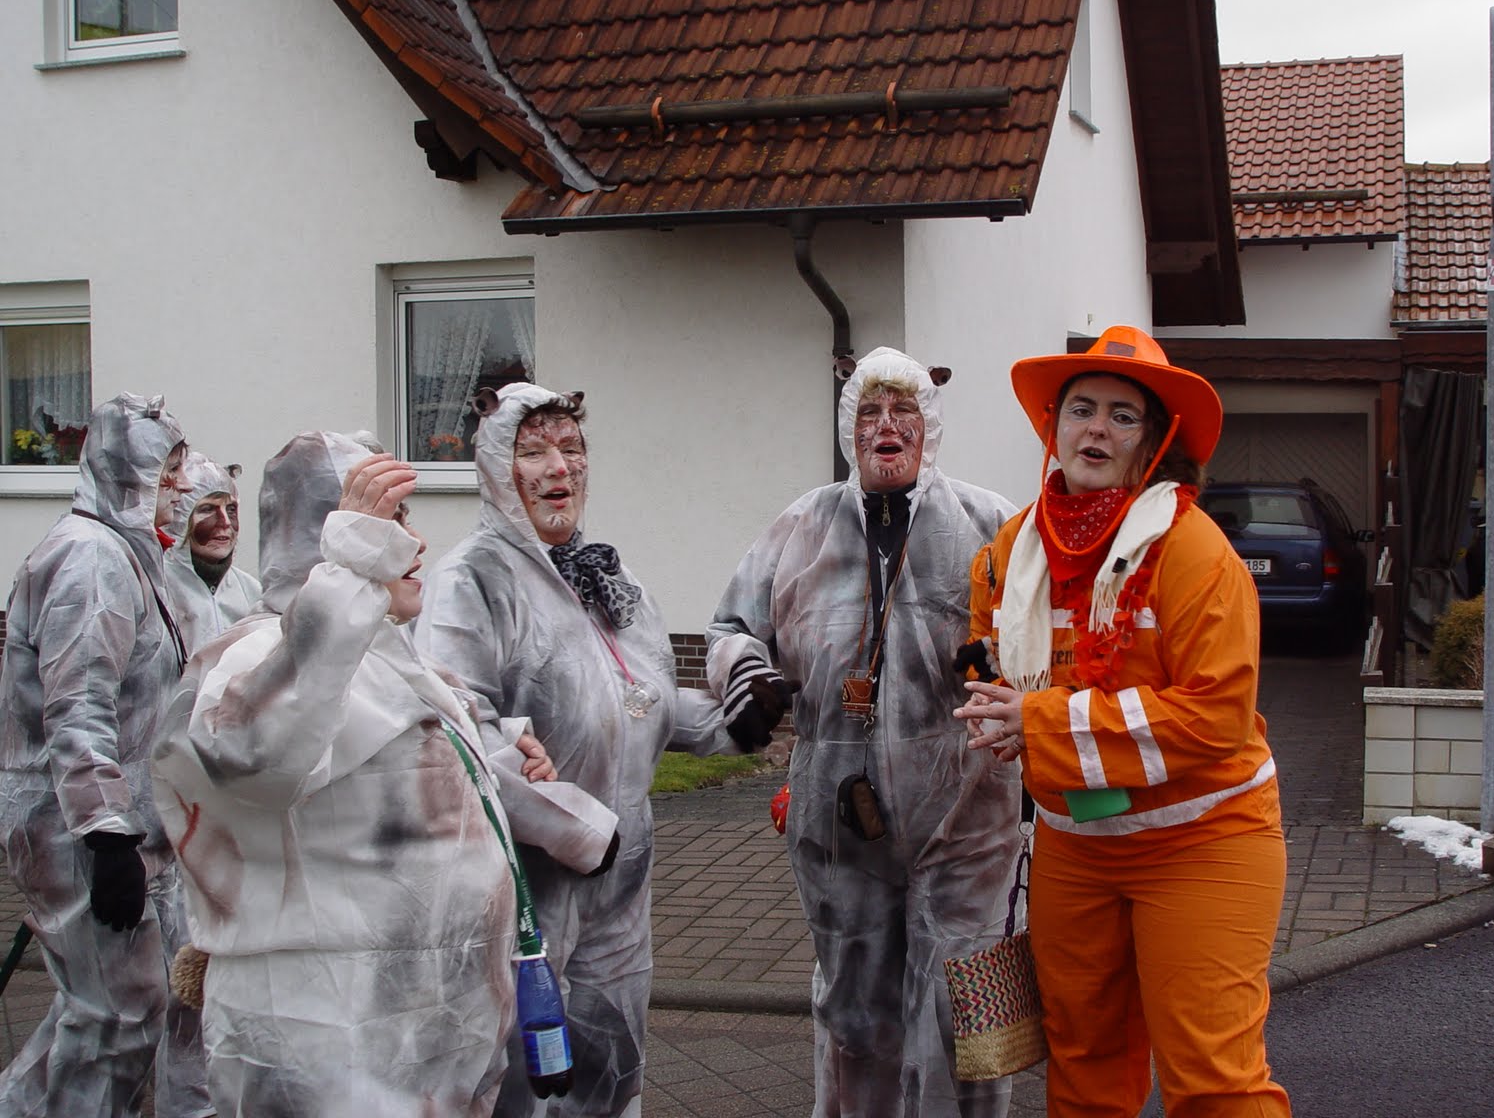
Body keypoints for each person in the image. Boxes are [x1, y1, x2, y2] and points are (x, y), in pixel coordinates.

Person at [151, 433, 594, 1116]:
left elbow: (388, 760)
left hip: (423, 1045)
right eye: (389, 521)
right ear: (330, 539)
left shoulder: (380, 652)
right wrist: (351, 572)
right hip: (329, 1052)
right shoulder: (257, 654)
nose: (415, 544)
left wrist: (499, 752)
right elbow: (255, 759)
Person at [954, 325, 1292, 1117]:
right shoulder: (1010, 550)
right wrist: (990, 707)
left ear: (1155, 441)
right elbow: (984, 657)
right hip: (1077, 847)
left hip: (1203, 841)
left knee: (1213, 1080)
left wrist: (1037, 724)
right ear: (1054, 427)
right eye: (1081, 409)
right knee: (1083, 1066)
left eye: (1122, 415)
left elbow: (1215, 715)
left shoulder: (1195, 552)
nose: (1096, 429)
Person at [705, 347, 1020, 1117]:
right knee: (855, 1016)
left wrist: (1011, 668)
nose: (887, 426)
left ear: (929, 424)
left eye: (904, 409)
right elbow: (731, 627)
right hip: (840, 823)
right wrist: (745, 675)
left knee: (975, 1017)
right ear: (850, 426)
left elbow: (1043, 636)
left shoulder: (992, 522)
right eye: (870, 411)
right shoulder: (803, 526)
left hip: (973, 818)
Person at [415, 383, 741, 1118]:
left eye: (572, 448)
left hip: (622, 885)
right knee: (521, 1074)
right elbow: (456, 735)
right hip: (526, 893)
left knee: (612, 1070)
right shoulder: (472, 581)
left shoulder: (605, 577)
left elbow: (639, 702)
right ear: (497, 469)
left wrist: (733, 725)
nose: (559, 467)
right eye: (534, 451)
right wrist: (578, 829)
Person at [0, 391, 211, 1117]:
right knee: (116, 1020)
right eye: (168, 469)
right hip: (75, 832)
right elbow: (79, 704)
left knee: (108, 1014)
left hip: (113, 828)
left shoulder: (127, 555)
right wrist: (106, 834)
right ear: (129, 473)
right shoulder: (91, 559)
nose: (182, 484)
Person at [163, 453, 262, 650]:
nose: (225, 522)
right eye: (207, 509)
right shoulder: (159, 587)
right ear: (180, 518)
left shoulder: (252, 592)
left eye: (231, 509)